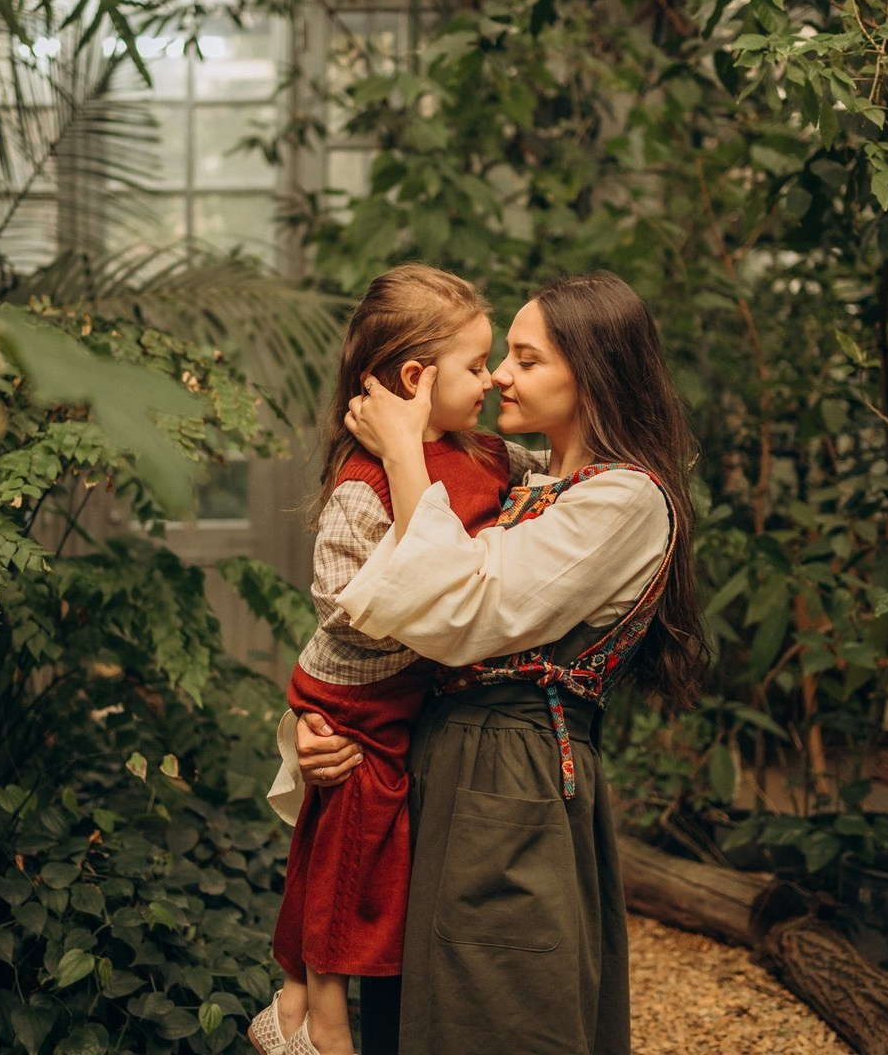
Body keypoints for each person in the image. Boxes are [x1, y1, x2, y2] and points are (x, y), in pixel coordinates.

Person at [294, 271, 710, 1055]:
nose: (500, 378)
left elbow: (461, 608)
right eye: (500, 357)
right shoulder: (522, 479)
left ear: (592, 374)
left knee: (499, 1010)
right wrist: (321, 731)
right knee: (417, 1018)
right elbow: (372, 632)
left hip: (512, 779)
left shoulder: (624, 501)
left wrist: (402, 452)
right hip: (434, 768)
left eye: (526, 359)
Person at [248, 265, 542, 1055]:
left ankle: (295, 998)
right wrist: (433, 607)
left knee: (341, 828)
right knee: (353, 830)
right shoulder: (365, 481)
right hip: (353, 688)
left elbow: (548, 488)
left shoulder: (483, 454)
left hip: (400, 693)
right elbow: (346, 607)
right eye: (477, 365)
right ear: (416, 377)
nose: (489, 381)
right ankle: (323, 1014)